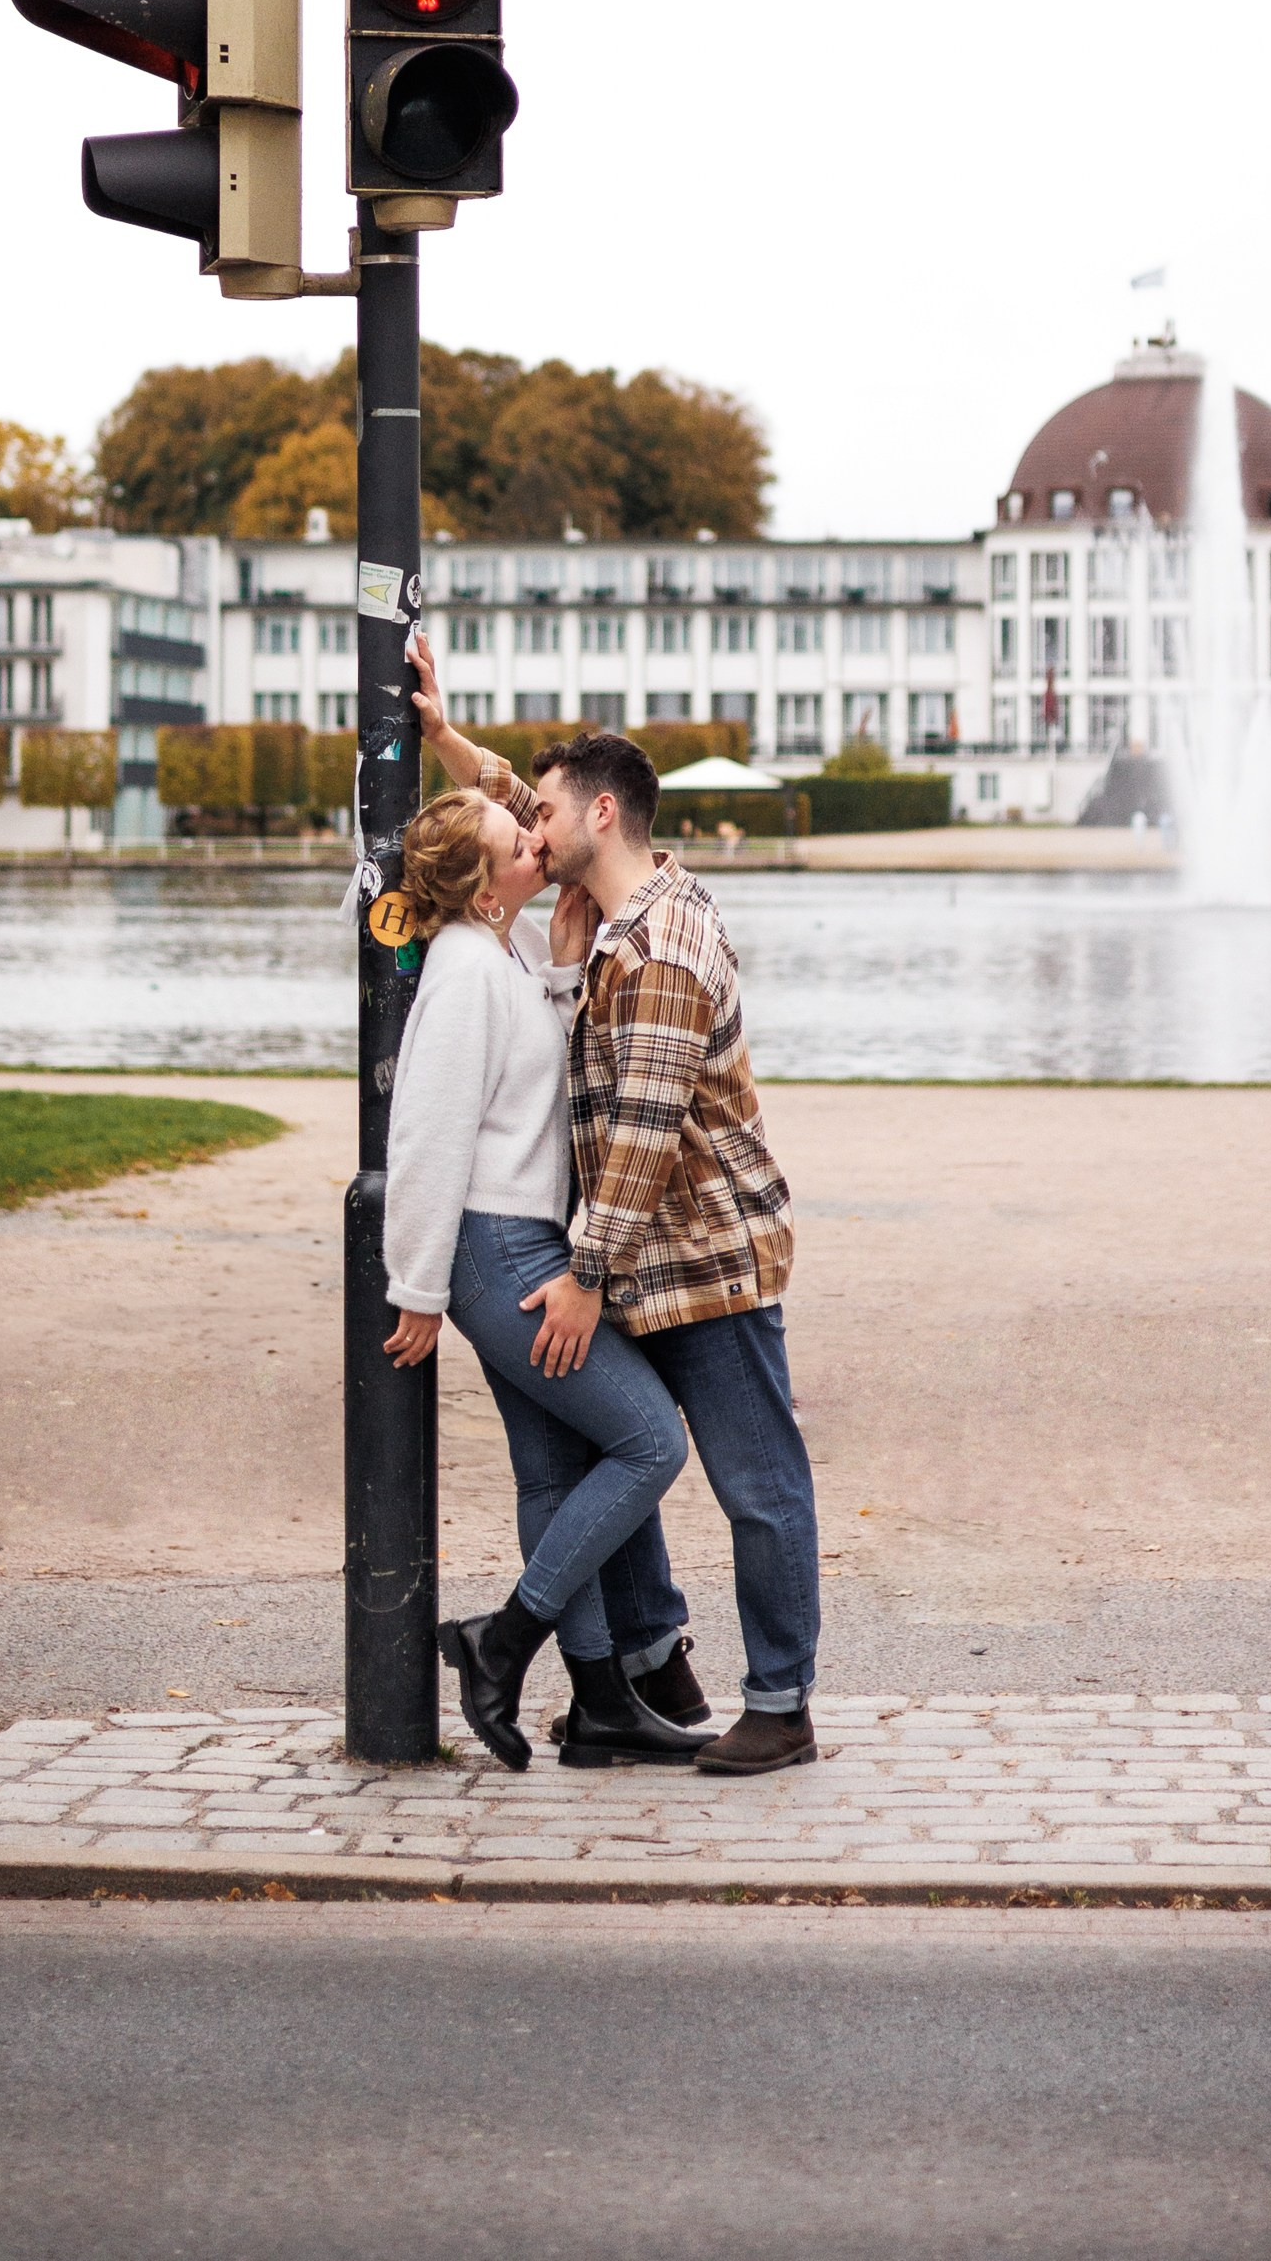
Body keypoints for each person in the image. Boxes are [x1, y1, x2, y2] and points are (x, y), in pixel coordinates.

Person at [407, 630, 822, 1776]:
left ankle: (780, 1703)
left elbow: (640, 1137)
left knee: (754, 1483)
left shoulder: (659, 952)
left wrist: (584, 1279)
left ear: (595, 815)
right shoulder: (619, 902)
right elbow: (507, 822)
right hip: (640, 1256)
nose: (528, 826)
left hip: (706, 1257)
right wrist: (448, 742)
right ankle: (643, 1671)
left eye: (545, 810)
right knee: (621, 1454)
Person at [379, 782, 711, 1773]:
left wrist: (564, 972)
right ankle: (506, 1641)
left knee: (552, 1474)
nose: (535, 842)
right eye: (513, 845)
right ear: (483, 889)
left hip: (525, 1241)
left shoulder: (507, 954)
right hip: (497, 1257)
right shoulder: (463, 973)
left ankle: (603, 1702)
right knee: (650, 1442)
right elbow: (427, 1138)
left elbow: (541, 1081)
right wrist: (419, 1289)